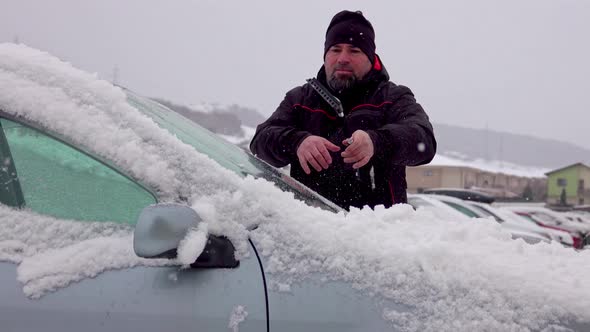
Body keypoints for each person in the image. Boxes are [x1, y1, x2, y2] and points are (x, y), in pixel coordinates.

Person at [250, 10, 436, 210]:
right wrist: (296, 141)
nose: (343, 58)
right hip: (309, 229)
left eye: (354, 50)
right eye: (336, 49)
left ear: (371, 58)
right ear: (325, 55)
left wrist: (377, 141)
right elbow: (260, 142)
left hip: (378, 233)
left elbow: (423, 140)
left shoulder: (393, 98)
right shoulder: (300, 99)